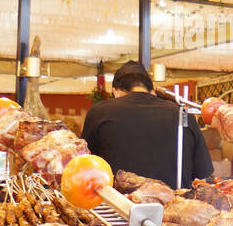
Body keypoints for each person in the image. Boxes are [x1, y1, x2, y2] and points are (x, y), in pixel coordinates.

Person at [80, 61, 212, 187]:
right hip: (173, 205)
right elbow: (202, 174)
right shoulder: (182, 114)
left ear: (116, 92)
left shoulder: (99, 112)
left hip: (118, 207)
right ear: (152, 91)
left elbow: (84, 167)